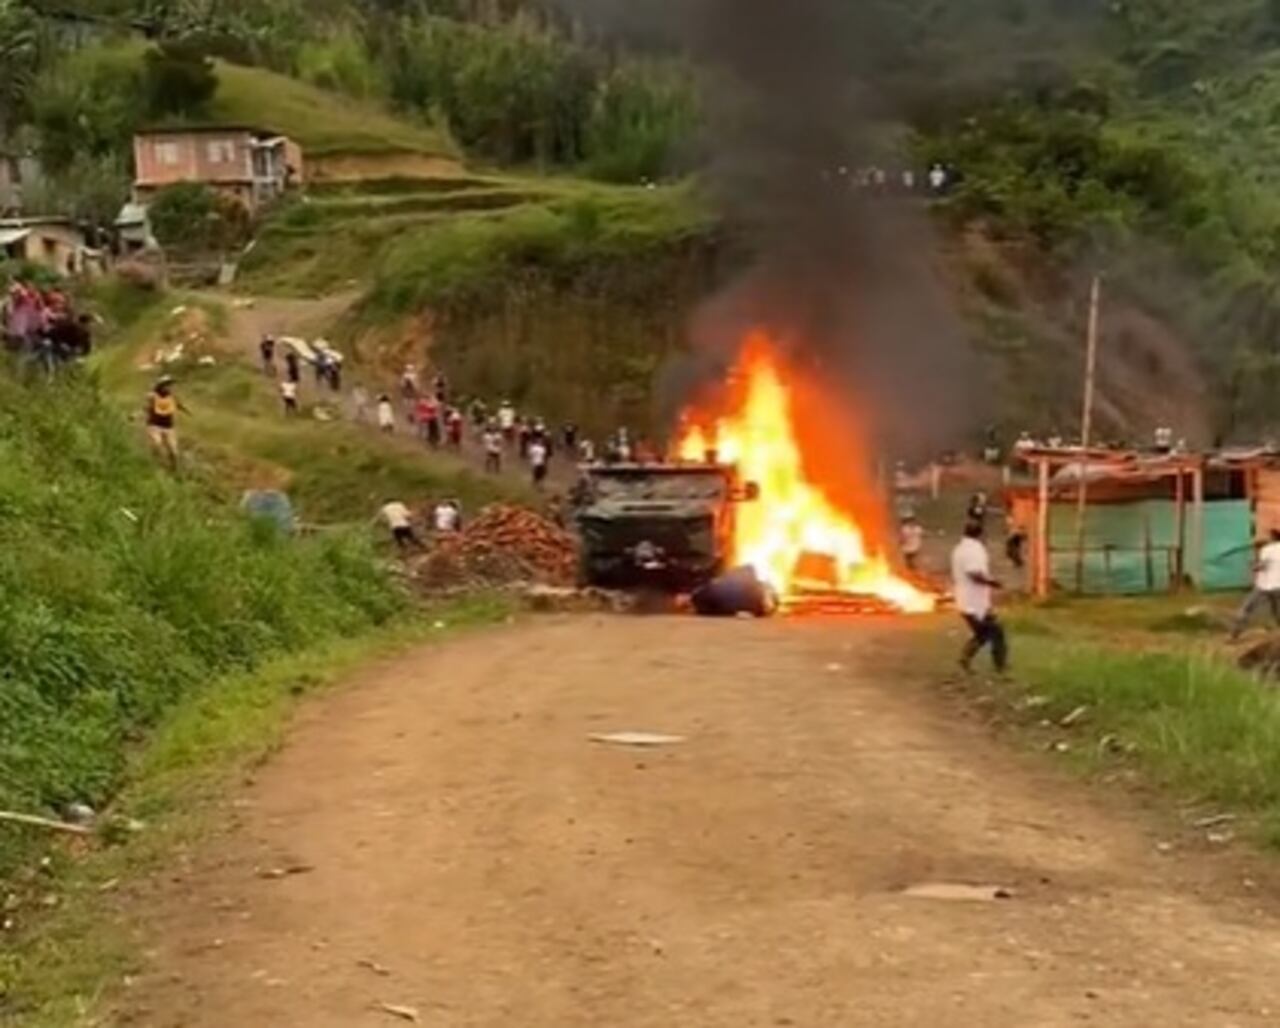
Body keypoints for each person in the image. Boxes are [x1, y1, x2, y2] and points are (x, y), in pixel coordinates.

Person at [952, 521, 1008, 674]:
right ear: (980, 534)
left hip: (970, 600)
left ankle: (966, 659)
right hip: (973, 603)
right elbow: (974, 573)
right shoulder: (973, 549)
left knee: (985, 633)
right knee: (994, 632)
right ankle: (1000, 666)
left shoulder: (960, 548)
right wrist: (993, 582)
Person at [1230, 530, 1280, 640]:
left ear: (1272, 537)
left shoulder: (1267, 550)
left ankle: (1235, 634)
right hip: (1278, 587)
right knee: (1277, 613)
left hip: (1264, 586)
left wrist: (1252, 565)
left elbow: (1261, 567)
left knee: (1246, 609)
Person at [145, 376, 187, 471]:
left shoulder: (172, 397)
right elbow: (146, 408)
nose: (170, 387)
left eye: (170, 385)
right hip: (154, 425)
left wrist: (185, 410)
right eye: (167, 385)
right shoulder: (152, 396)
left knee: (173, 451)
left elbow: (179, 405)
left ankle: (175, 470)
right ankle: (154, 465)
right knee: (157, 444)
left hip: (168, 427)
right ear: (161, 386)